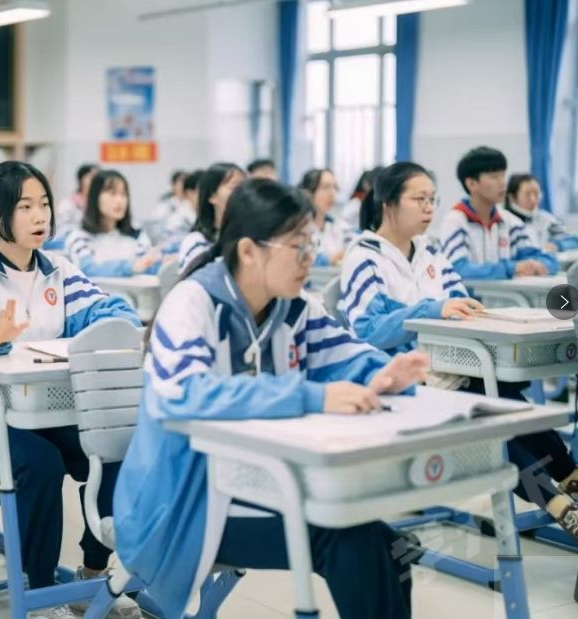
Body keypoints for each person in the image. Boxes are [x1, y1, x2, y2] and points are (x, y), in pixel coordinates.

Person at [114, 178, 426, 619]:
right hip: (181, 502)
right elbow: (184, 395)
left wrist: (386, 374)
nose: (310, 258)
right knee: (350, 540)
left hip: (255, 482)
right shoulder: (192, 303)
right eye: (297, 247)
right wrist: (310, 396)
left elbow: (345, 355)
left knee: (394, 548)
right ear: (248, 251)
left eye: (311, 244)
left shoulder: (293, 306)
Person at [0, 161, 142, 619]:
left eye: (43, 204)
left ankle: (93, 574)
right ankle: (38, 589)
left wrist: (124, 321)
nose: (39, 215)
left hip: (43, 411)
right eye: (24, 207)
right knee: (41, 464)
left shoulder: (57, 269)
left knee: (114, 447)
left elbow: (101, 307)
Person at [344, 161, 578, 540]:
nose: (428, 209)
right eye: (419, 199)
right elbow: (367, 330)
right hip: (403, 377)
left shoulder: (429, 250)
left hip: (452, 365)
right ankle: (556, 502)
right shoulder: (365, 256)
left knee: (513, 407)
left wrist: (465, 310)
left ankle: (569, 482)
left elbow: (458, 299)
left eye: (432, 200)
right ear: (388, 203)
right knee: (491, 422)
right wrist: (431, 310)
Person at [440, 147, 558, 279]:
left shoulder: (510, 221)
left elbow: (548, 260)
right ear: (471, 184)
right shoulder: (455, 221)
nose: (502, 183)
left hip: (507, 293)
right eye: (494, 177)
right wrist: (511, 268)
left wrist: (536, 265)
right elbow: (458, 269)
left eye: (503, 175)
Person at [66, 169, 162, 277]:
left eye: (123, 194)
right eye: (112, 193)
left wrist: (161, 264)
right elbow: (87, 268)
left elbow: (147, 265)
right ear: (95, 197)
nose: (119, 201)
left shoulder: (136, 235)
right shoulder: (79, 237)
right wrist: (130, 267)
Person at [176, 162, 245, 273]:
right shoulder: (197, 242)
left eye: (245, 187)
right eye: (235, 188)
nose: (244, 194)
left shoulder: (250, 237)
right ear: (212, 195)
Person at [504, 173, 578, 252]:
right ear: (512, 198)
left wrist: (557, 245)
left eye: (536, 193)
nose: (533, 199)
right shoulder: (505, 221)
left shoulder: (545, 218)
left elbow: (573, 240)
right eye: (527, 194)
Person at [299, 168, 352, 265]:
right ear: (309, 192)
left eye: (334, 187)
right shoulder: (299, 228)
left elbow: (354, 250)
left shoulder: (340, 225)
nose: (332, 193)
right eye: (325, 187)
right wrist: (331, 259)